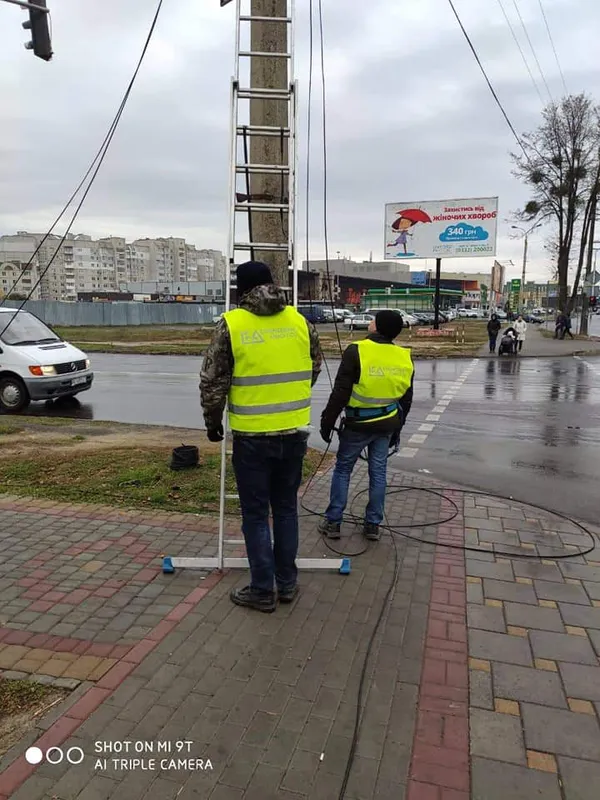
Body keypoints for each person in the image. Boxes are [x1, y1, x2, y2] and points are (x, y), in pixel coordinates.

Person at [200, 261, 323, 613]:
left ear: (242, 289)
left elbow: (213, 381)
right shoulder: (300, 321)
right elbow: (313, 366)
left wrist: (213, 422)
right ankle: (286, 584)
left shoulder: (232, 323)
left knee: (255, 515)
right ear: (272, 284)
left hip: (253, 437)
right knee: (285, 510)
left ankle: (261, 590)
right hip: (295, 432)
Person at [319, 310, 414, 541]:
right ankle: (372, 524)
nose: (369, 322)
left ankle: (333, 522)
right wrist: (397, 429)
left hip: (357, 424)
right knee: (378, 473)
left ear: (377, 327)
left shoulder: (357, 350)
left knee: (343, 470)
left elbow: (341, 392)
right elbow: (406, 399)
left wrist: (327, 421)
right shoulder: (404, 356)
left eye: (373, 319)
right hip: (386, 424)